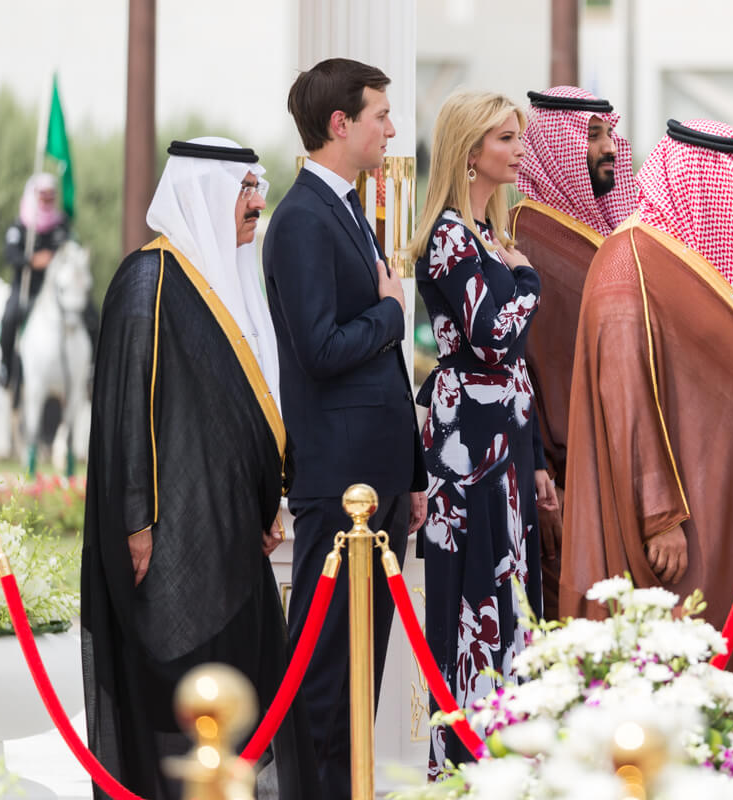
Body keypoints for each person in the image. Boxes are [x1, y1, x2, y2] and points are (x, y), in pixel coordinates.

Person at [81, 137, 317, 800]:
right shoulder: (148, 279)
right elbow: (128, 408)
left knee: (244, 683)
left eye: (256, 188)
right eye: (243, 190)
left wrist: (269, 497)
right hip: (171, 536)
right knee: (177, 682)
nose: (256, 203)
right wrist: (135, 522)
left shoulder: (227, 281)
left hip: (233, 533)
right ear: (203, 193)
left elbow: (255, 405)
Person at [559, 118, 733, 738]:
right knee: (683, 674)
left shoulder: (689, 267)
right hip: (681, 529)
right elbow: (627, 398)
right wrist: (660, 516)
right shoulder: (630, 263)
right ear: (697, 179)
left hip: (731, 514)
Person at [262, 58, 427, 800]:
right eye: (381, 115)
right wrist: (392, 316)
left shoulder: (351, 209)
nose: (391, 129)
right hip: (339, 482)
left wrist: (413, 474)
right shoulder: (300, 218)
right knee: (325, 674)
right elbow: (320, 349)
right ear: (340, 124)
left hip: (379, 481)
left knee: (364, 666)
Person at [409, 90, 558, 777]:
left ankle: (503, 759)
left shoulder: (483, 237)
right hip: (466, 441)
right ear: (472, 152)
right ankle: (465, 768)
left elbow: (514, 369)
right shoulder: (447, 236)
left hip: (502, 440)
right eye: (506, 138)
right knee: (473, 597)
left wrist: (531, 465)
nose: (519, 149)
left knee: (509, 591)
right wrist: (525, 276)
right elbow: (496, 336)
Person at [510, 86, 636, 619]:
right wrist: (547, 475)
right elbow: (530, 368)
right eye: (591, 135)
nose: (608, 147)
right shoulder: (526, 239)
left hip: (607, 482)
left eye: (609, 133)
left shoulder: (601, 241)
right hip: (559, 486)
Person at [0, 173, 98, 389]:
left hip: (58, 290)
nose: (47, 200)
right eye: (43, 196)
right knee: (9, 317)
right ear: (34, 196)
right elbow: (10, 254)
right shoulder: (21, 225)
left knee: (92, 315)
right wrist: (31, 260)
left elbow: (70, 249)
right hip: (28, 287)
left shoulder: (61, 224)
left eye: (51, 196)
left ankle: (93, 368)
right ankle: (5, 366)